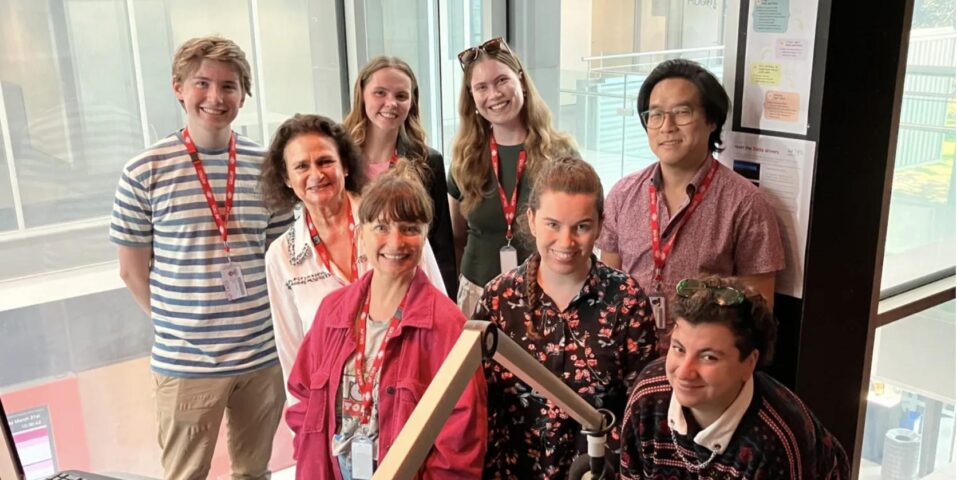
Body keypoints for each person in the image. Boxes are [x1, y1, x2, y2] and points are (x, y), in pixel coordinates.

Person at [110, 36, 290, 479]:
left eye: (229, 86)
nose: (215, 97)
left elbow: (281, 259)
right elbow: (132, 272)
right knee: (185, 475)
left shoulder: (266, 166)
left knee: (254, 471)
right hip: (187, 364)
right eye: (202, 83)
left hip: (262, 358)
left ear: (243, 96)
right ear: (178, 88)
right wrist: (179, 328)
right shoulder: (144, 171)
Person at [286, 163, 487, 479]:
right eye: (381, 227)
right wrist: (308, 456)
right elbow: (303, 394)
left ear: (424, 235)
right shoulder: (332, 312)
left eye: (409, 228)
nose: (395, 242)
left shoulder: (448, 326)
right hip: (333, 468)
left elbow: (462, 435)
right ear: (360, 231)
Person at [474, 157, 658, 479]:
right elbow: (479, 404)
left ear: (600, 225)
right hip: (513, 471)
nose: (566, 241)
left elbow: (639, 412)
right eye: (553, 224)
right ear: (531, 220)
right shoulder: (497, 299)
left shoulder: (627, 301)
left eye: (582, 227)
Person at [596, 59, 785, 351]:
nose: (666, 126)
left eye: (682, 112)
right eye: (655, 114)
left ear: (711, 121)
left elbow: (756, 313)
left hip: (700, 367)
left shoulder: (747, 204)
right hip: (627, 357)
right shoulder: (623, 193)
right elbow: (607, 287)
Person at [261, 114, 447, 398]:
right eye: (301, 166)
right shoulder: (282, 255)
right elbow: (292, 351)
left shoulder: (390, 222)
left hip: (410, 389)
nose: (316, 174)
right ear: (286, 178)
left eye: (325, 161)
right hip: (337, 408)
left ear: (345, 165)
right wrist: (305, 427)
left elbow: (437, 303)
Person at [619, 276, 849, 479]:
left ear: (749, 363)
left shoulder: (777, 440)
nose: (684, 372)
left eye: (708, 357)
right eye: (678, 349)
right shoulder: (648, 393)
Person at [449, 37, 578, 317]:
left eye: (502, 81)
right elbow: (456, 236)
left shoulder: (560, 153)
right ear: (472, 97)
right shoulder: (464, 157)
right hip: (477, 295)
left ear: (521, 80)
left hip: (544, 296)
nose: (494, 94)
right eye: (481, 87)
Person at [342, 56, 458, 296]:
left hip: (410, 289)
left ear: (412, 103)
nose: (391, 103)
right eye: (380, 93)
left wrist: (448, 301)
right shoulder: (339, 161)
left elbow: (441, 247)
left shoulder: (428, 162)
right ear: (361, 95)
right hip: (349, 286)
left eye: (401, 96)